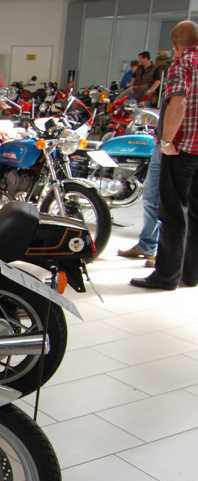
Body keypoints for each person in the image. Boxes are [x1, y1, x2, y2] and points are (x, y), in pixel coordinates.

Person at [131, 20, 198, 290]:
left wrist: (167, 140)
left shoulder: (182, 65)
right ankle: (190, 274)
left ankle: (166, 276)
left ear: (175, 44)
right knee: (195, 214)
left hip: (182, 150)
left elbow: (178, 103)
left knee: (173, 213)